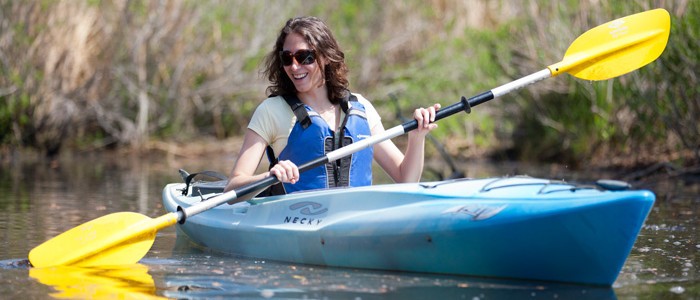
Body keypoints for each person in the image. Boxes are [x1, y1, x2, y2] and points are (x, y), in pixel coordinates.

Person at [224, 16, 440, 195]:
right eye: (287, 58)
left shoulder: (361, 108)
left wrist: (417, 137)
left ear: (326, 57)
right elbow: (231, 190)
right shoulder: (271, 112)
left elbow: (406, 179)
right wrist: (268, 177)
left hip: (356, 222)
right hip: (297, 224)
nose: (294, 66)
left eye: (304, 56)